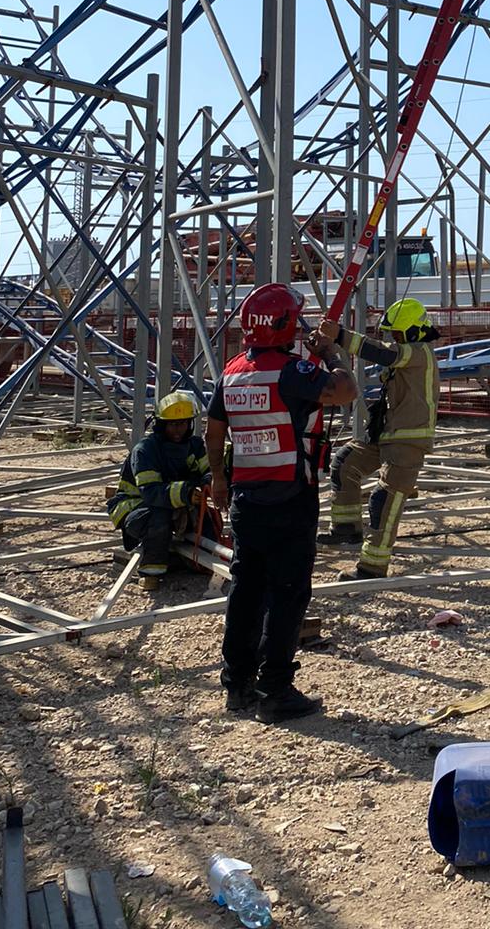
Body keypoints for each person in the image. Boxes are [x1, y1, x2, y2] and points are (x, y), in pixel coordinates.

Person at [205, 281, 357, 722]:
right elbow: (344, 390)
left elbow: (214, 432)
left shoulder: (232, 373)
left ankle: (237, 684)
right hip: (290, 497)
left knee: (246, 591)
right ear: (285, 325)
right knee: (288, 593)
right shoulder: (291, 372)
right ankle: (275, 690)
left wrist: (219, 478)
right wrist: (330, 353)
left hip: (246, 498)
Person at [312, 298, 440, 580]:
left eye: (397, 335)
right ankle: (346, 528)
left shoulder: (419, 353)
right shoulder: (408, 354)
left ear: (414, 332)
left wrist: (340, 335)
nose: (394, 340)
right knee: (346, 462)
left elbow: (383, 353)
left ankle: (372, 566)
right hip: (387, 435)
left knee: (385, 499)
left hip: (408, 441)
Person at [106, 391, 211, 590]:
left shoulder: (194, 446)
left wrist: (209, 482)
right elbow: (151, 492)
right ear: (162, 424)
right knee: (159, 518)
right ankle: (151, 572)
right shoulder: (146, 450)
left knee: (206, 520)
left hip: (174, 503)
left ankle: (194, 561)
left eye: (183, 423)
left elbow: (208, 469)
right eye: (173, 424)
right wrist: (186, 493)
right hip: (138, 508)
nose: (179, 429)